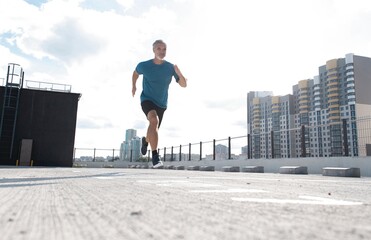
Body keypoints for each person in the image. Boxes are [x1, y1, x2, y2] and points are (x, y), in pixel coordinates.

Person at [132, 39, 187, 168]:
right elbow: (135, 73)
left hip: (161, 103)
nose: (162, 51)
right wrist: (133, 85)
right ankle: (155, 157)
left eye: (164, 49)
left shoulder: (170, 67)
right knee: (154, 120)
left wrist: (180, 74)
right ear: (153, 50)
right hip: (147, 99)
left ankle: (145, 141)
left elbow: (184, 85)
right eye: (159, 49)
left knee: (153, 128)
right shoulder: (144, 65)